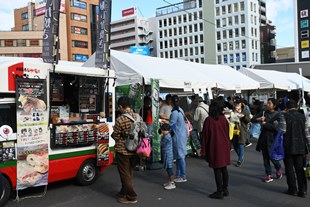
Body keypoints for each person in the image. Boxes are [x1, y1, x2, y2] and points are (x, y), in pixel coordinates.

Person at [111, 96, 140, 204]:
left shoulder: (120, 119)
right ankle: (124, 192)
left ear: (121, 107)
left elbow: (116, 136)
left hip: (123, 150)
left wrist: (115, 135)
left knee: (124, 174)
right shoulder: (138, 117)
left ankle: (132, 196)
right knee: (128, 172)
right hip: (135, 150)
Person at [201, 98, 231, 199]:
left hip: (215, 147)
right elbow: (227, 133)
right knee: (224, 168)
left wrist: (203, 150)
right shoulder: (223, 119)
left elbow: (205, 137)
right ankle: (225, 189)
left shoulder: (209, 120)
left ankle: (219, 191)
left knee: (217, 169)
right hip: (224, 146)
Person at [253, 98, 286, 183]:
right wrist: (259, 119)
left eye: (269, 103)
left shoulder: (278, 115)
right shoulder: (264, 112)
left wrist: (265, 124)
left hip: (273, 138)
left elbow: (277, 128)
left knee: (272, 156)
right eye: (267, 103)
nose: (267, 104)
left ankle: (278, 168)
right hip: (264, 137)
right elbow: (252, 119)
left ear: (274, 105)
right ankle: (268, 174)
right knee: (265, 157)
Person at [283, 100, 308, 197]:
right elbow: (306, 132)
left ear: (287, 107)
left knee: (289, 169)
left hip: (288, 145)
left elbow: (282, 130)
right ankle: (303, 191)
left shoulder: (284, 116)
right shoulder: (302, 116)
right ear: (296, 107)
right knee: (300, 168)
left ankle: (292, 189)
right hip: (300, 145)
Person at [170, 95, 188, 183]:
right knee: (178, 156)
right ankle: (178, 174)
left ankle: (183, 175)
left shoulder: (174, 112)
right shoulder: (180, 110)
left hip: (178, 136)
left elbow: (172, 125)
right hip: (182, 135)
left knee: (180, 156)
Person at [232, 100, 251, 167]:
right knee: (235, 145)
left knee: (241, 144)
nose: (237, 104)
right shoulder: (233, 110)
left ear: (241, 104)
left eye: (238, 103)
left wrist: (243, 117)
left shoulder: (245, 111)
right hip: (234, 130)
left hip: (242, 130)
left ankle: (240, 159)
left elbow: (248, 120)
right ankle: (240, 156)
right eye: (236, 103)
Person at [160, 123, 176, 190]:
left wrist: (161, 137)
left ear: (167, 130)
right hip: (167, 154)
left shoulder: (167, 137)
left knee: (169, 169)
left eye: (163, 130)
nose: (162, 131)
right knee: (168, 168)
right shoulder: (168, 135)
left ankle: (172, 183)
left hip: (168, 154)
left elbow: (162, 144)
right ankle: (170, 181)